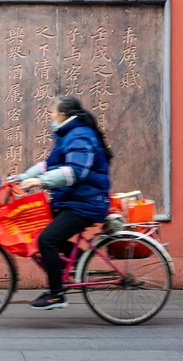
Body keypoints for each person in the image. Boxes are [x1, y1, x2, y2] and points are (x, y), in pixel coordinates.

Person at [18, 95, 112, 310]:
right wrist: (21, 178)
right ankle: (78, 258)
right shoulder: (69, 135)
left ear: (62, 115)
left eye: (52, 113)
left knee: (47, 240)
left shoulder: (80, 136)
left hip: (86, 203)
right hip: (75, 200)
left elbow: (75, 172)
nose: (50, 117)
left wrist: (40, 182)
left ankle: (56, 294)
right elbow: (49, 165)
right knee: (41, 228)